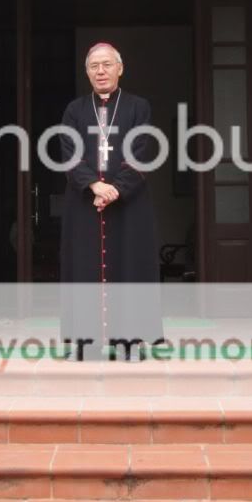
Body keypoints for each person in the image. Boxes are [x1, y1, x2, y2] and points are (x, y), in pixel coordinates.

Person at [58, 42, 163, 360]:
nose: (100, 71)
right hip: (84, 203)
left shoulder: (138, 106)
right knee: (83, 267)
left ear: (120, 68)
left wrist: (116, 188)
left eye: (107, 65)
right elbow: (68, 150)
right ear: (87, 72)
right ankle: (85, 342)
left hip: (129, 204)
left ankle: (131, 341)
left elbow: (142, 148)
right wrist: (92, 184)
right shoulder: (75, 110)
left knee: (131, 265)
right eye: (94, 66)